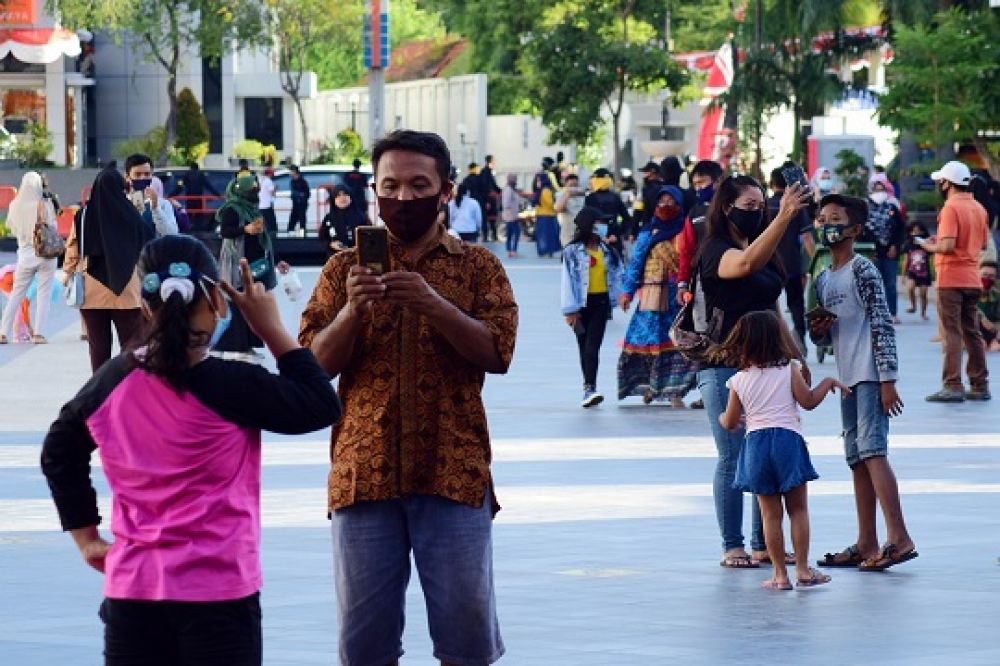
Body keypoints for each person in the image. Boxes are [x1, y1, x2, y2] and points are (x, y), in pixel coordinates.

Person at [40, 235, 341, 666]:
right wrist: (270, 328)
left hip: (133, 593)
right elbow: (320, 404)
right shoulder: (233, 385)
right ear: (217, 300)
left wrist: (86, 538)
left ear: (145, 306)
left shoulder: (112, 381)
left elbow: (59, 450)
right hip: (219, 596)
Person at [299, 129, 517, 666]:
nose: (403, 197)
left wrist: (433, 304)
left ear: (446, 191)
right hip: (363, 473)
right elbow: (312, 366)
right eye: (390, 186)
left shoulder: (479, 267)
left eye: (419, 185)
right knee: (364, 644)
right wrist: (352, 312)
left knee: (466, 638)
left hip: (453, 469)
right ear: (374, 190)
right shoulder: (343, 269)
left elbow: (497, 352)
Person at [697, 174, 811, 568]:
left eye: (761, 206)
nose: (757, 213)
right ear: (726, 207)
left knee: (766, 451)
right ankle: (733, 544)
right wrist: (784, 216)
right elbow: (744, 265)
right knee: (732, 455)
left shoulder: (762, 249)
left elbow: (773, 308)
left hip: (769, 367)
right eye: (749, 206)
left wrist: (796, 355)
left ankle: (765, 544)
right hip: (723, 367)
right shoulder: (716, 250)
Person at [809, 193, 918, 572]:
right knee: (856, 459)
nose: (826, 225)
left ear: (855, 229)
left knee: (873, 452)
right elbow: (824, 338)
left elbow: (882, 323)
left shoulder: (863, 270)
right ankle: (866, 541)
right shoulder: (823, 278)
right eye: (822, 219)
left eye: (835, 219)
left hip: (870, 374)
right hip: (847, 379)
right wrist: (818, 331)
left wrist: (888, 379)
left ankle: (899, 537)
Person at [717, 310, 846, 590]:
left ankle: (779, 575)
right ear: (777, 339)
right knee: (797, 510)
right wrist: (827, 382)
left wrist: (723, 417)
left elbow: (730, 422)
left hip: (756, 446)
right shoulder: (789, 369)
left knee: (770, 514)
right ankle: (802, 570)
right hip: (788, 441)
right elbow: (808, 401)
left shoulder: (738, 380)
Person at [62, 168, 154, 372]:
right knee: (132, 346)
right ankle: (129, 387)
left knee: (98, 348)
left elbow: (73, 249)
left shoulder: (84, 216)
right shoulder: (131, 214)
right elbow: (148, 245)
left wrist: (67, 274)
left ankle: (101, 387)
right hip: (127, 289)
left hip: (92, 289)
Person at [617, 186, 697, 407]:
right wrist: (627, 291)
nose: (665, 206)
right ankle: (651, 387)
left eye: (671, 201)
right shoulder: (647, 233)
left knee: (677, 344)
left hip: (677, 298)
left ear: (680, 204)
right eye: (661, 201)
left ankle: (675, 392)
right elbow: (636, 264)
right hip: (651, 299)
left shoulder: (686, 230)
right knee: (648, 344)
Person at [922, 160, 991, 402]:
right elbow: (983, 243)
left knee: (951, 332)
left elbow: (948, 246)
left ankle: (952, 384)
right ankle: (980, 384)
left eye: (941, 181)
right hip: (972, 278)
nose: (940, 185)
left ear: (947, 183)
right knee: (972, 331)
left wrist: (929, 246)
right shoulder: (979, 208)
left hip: (950, 278)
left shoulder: (950, 208)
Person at [561, 206, 624, 407]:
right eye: (599, 223)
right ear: (588, 225)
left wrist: (623, 296)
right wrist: (570, 310)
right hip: (580, 305)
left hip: (601, 303)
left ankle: (590, 387)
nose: (603, 226)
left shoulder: (608, 251)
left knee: (592, 345)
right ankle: (588, 387)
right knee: (583, 346)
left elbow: (620, 274)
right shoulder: (572, 252)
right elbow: (567, 281)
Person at [216, 174, 276, 359]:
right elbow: (225, 231)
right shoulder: (232, 209)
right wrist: (245, 229)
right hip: (237, 262)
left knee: (252, 303)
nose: (255, 191)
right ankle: (237, 346)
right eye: (252, 188)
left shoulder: (253, 209)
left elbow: (265, 238)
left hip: (255, 263)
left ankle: (249, 344)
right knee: (238, 302)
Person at [0, 171, 58, 345]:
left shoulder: (14, 205)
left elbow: (12, 228)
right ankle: (38, 334)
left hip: (25, 256)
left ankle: (3, 332)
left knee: (16, 295)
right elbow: (53, 226)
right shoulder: (44, 203)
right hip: (45, 254)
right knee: (43, 294)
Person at [767, 167, 816, 350]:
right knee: (796, 303)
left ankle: (773, 341)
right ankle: (800, 337)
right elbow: (807, 237)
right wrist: (816, 261)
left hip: (768, 263)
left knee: (768, 303)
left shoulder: (764, 205)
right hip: (791, 264)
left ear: (771, 184)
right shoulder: (796, 207)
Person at [864, 178, 906, 323]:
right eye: (876, 190)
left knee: (891, 285)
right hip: (872, 253)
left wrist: (895, 245)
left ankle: (892, 313)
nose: (879, 193)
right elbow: (861, 231)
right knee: (872, 284)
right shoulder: (865, 209)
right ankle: (873, 314)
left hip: (890, 253)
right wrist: (869, 250)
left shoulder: (892, 208)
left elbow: (900, 229)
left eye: (882, 190)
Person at [124, 153, 178, 237]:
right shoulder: (121, 203)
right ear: (127, 177)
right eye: (137, 174)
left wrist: (155, 208)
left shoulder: (163, 204)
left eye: (147, 174)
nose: (142, 178)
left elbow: (172, 235)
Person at [584, 168, 631, 257]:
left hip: (596, 240)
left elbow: (586, 221)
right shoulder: (615, 197)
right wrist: (617, 234)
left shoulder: (590, 198)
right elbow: (627, 219)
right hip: (613, 237)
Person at [170, 162, 221, 232]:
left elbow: (179, 186)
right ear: (197, 168)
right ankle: (198, 230)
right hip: (199, 201)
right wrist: (218, 195)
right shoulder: (201, 175)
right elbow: (209, 186)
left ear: (190, 167)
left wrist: (171, 196)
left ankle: (188, 229)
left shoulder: (186, 175)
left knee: (189, 216)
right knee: (199, 218)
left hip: (190, 200)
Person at [319, 185, 366, 259]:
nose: (342, 198)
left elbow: (370, 238)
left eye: (345, 194)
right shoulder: (329, 218)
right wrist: (331, 244)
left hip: (358, 257)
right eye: (338, 196)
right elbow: (322, 238)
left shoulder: (362, 217)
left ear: (351, 197)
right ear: (333, 200)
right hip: (336, 258)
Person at [687, 160, 725, 247]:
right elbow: (688, 245)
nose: (698, 188)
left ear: (718, 181)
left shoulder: (732, 206)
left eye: (701, 182)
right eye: (695, 184)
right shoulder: (694, 212)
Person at [903, 221, 932, 320]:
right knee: (910, 288)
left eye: (918, 231)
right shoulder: (908, 244)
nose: (915, 234)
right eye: (913, 231)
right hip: (912, 271)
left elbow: (932, 255)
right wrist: (903, 275)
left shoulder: (926, 244)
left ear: (923, 232)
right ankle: (913, 306)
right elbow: (906, 260)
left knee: (923, 293)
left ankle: (923, 313)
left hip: (924, 272)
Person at [533, 167, 562, 258]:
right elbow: (551, 204)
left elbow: (549, 204)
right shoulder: (545, 190)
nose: (537, 182)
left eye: (538, 180)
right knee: (548, 235)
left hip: (545, 216)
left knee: (544, 235)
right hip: (546, 216)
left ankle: (545, 251)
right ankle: (547, 251)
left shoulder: (544, 190)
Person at [632, 161, 664, 236]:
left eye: (646, 172)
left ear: (653, 173)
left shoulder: (644, 190)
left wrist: (633, 231)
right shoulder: (665, 188)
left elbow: (638, 211)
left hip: (648, 227)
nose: (644, 174)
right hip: (662, 226)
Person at [555, 172, 586, 247]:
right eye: (571, 185)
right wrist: (567, 195)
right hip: (568, 234)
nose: (574, 187)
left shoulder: (583, 196)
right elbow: (559, 209)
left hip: (582, 232)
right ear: (566, 185)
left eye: (575, 185)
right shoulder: (561, 194)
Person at [501, 173, 527, 257]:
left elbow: (517, 200)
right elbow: (506, 203)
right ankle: (512, 250)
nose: (516, 181)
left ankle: (510, 250)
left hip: (512, 215)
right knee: (515, 233)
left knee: (511, 234)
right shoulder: (508, 190)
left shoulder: (511, 189)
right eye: (515, 179)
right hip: (511, 216)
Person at [978, 261, 1000, 351]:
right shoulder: (967, 294)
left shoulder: (997, 295)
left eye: (991, 276)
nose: (987, 278)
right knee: (980, 346)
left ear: (995, 278)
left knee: (995, 347)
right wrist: (981, 317)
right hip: (969, 332)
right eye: (984, 275)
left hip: (990, 332)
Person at [480, 155, 502, 242]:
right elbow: (486, 187)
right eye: (493, 161)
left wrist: (500, 191)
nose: (494, 163)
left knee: (492, 218)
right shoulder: (485, 172)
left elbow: (493, 186)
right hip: (487, 199)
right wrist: (487, 201)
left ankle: (493, 235)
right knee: (486, 218)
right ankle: (487, 236)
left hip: (490, 199)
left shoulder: (489, 172)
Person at [286, 165, 310, 235]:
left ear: (294, 172)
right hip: (295, 204)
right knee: (291, 224)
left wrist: (299, 195)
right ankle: (290, 237)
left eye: (290, 171)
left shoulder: (302, 181)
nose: (289, 173)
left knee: (302, 222)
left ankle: (303, 236)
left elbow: (307, 194)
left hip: (302, 204)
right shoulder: (292, 181)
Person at [259, 166, 277, 236]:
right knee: (272, 225)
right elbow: (272, 192)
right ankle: (273, 238)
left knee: (264, 224)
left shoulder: (261, 180)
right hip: (267, 206)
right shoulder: (268, 181)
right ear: (270, 174)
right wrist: (275, 189)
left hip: (261, 206)